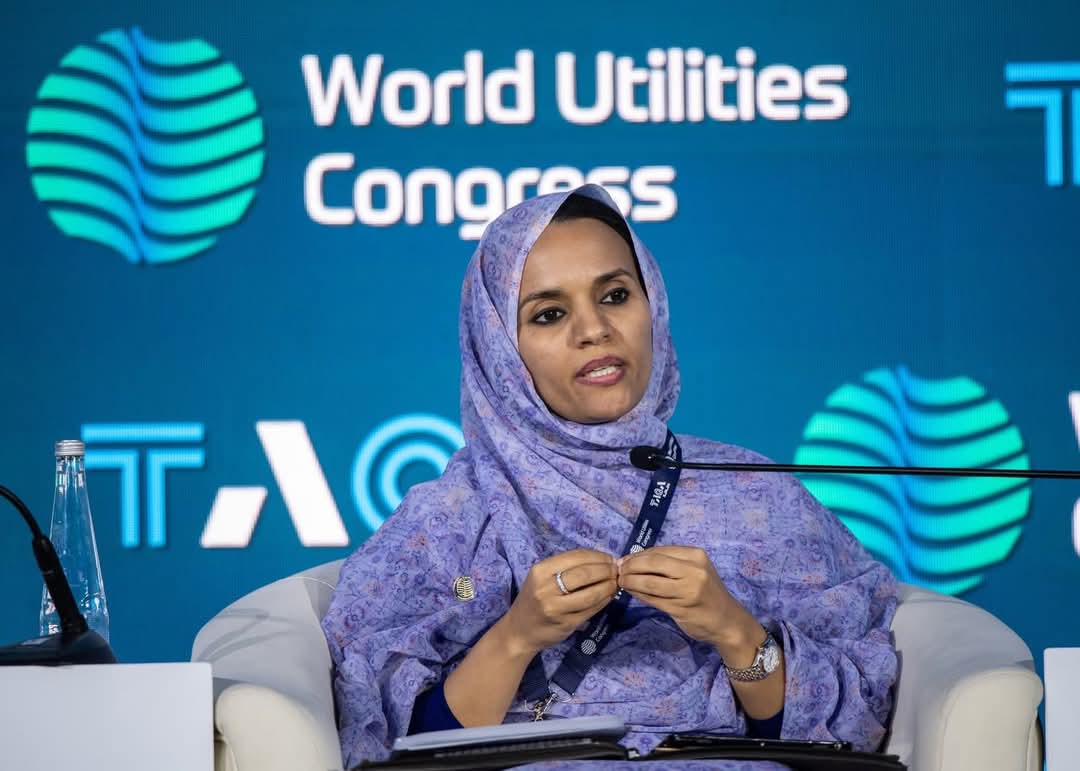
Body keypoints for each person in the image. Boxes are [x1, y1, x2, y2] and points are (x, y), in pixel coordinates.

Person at [322, 185, 898, 769]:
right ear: (499, 350)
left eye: (616, 295)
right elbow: (396, 747)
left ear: (654, 306)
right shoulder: (451, 520)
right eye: (549, 314)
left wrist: (734, 630)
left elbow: (847, 729)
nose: (594, 329)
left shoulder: (755, 493)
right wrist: (517, 636)